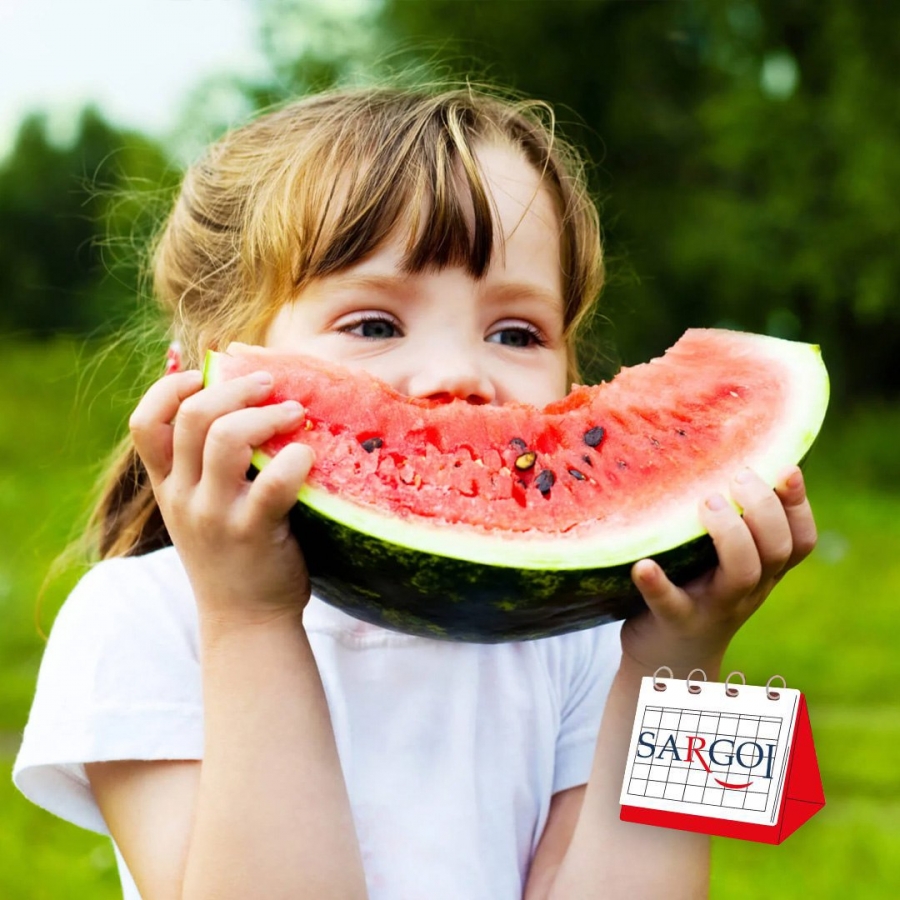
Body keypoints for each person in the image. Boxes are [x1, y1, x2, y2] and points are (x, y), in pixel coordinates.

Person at [13, 84, 817, 900]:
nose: (459, 374)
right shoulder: (137, 618)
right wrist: (247, 617)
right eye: (374, 324)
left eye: (516, 333)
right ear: (210, 370)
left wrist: (678, 669)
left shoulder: (589, 635)